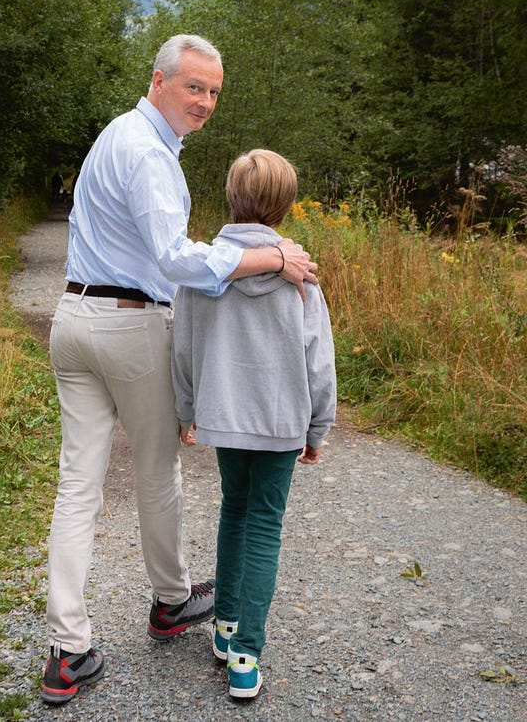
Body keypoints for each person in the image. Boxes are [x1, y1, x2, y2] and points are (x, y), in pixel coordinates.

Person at [41, 35, 318, 705]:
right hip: (129, 324)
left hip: (73, 319)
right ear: (159, 80)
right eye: (194, 87)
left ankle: (66, 648)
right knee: (158, 467)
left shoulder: (115, 136)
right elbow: (175, 257)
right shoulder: (148, 152)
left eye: (214, 91)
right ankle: (170, 600)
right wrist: (270, 259)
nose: (205, 102)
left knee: (78, 485)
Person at [172, 148, 337, 701]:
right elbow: (319, 360)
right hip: (280, 419)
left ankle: (224, 632)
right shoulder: (299, 276)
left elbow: (184, 347)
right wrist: (318, 428)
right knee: (264, 521)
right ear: (286, 205)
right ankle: (246, 657)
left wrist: (187, 408)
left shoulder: (203, 268)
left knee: (233, 508)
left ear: (231, 197)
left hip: (224, 415)